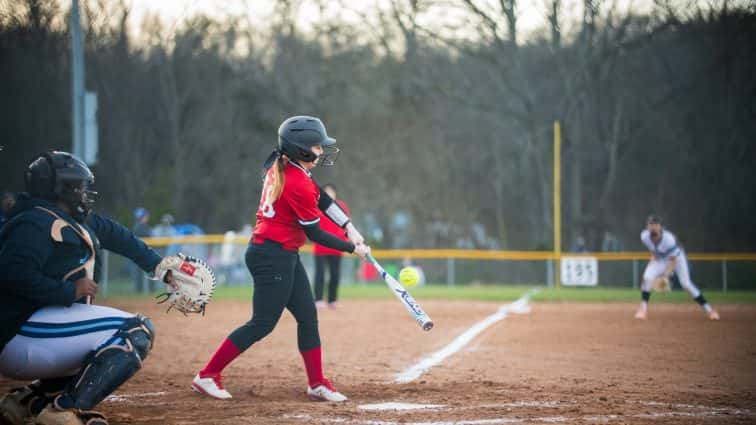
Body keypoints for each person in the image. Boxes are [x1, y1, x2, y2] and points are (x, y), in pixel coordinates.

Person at [191, 115, 370, 402]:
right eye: (316, 146)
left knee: (308, 317)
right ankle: (207, 375)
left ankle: (316, 383)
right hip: (271, 256)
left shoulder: (289, 165)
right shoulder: (295, 181)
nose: (321, 151)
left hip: (282, 252)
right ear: (299, 149)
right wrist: (352, 249)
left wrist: (349, 227)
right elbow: (315, 234)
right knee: (262, 323)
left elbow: (323, 200)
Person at [0, 151, 177, 425]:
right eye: (80, 187)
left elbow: (120, 237)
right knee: (135, 331)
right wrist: (68, 291)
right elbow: (13, 274)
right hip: (18, 334)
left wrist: (160, 268)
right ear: (62, 189)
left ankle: (28, 402)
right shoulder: (34, 222)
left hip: (33, 334)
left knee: (99, 344)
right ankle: (62, 412)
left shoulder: (70, 218)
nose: (85, 193)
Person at [634, 215, 720, 320]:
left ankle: (710, 310)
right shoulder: (644, 236)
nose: (653, 227)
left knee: (686, 284)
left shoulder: (668, 239)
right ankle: (643, 310)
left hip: (678, 259)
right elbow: (652, 249)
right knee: (647, 277)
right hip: (661, 259)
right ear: (647, 227)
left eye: (656, 224)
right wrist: (653, 258)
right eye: (651, 224)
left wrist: (666, 276)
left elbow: (673, 261)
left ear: (660, 227)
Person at [313, 184, 351, 309]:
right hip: (321, 248)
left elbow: (347, 226)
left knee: (335, 275)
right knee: (320, 274)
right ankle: (318, 299)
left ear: (335, 194)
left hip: (337, 247)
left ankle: (332, 300)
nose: (328, 194)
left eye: (330, 192)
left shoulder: (342, 206)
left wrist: (348, 240)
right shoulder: (317, 207)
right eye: (326, 192)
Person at [132, 207, 153, 293]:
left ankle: (144, 290)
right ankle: (141, 290)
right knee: (141, 273)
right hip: (141, 253)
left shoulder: (141, 226)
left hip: (143, 253)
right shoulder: (140, 227)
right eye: (145, 216)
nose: (146, 217)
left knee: (146, 272)